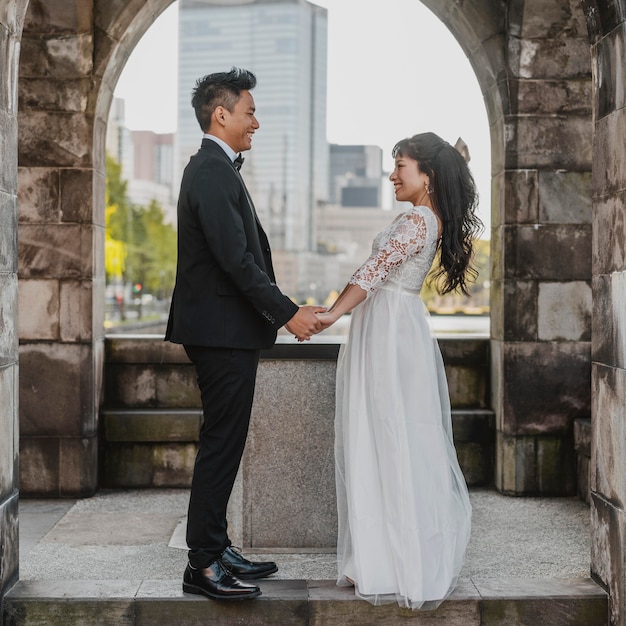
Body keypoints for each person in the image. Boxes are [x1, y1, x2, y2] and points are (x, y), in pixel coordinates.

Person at [165, 67, 323, 601]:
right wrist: (287, 312)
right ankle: (202, 564)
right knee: (221, 444)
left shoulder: (218, 168)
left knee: (224, 442)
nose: (257, 121)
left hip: (225, 329)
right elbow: (235, 260)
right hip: (220, 332)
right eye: (250, 111)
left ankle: (216, 544)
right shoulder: (209, 171)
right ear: (221, 114)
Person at [315, 132, 482, 610]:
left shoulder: (417, 220)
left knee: (386, 433)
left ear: (425, 176)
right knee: (392, 433)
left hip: (389, 331)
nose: (392, 174)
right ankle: (382, 555)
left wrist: (329, 315)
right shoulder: (428, 219)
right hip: (391, 326)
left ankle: (391, 560)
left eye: (401, 166)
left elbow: (373, 272)